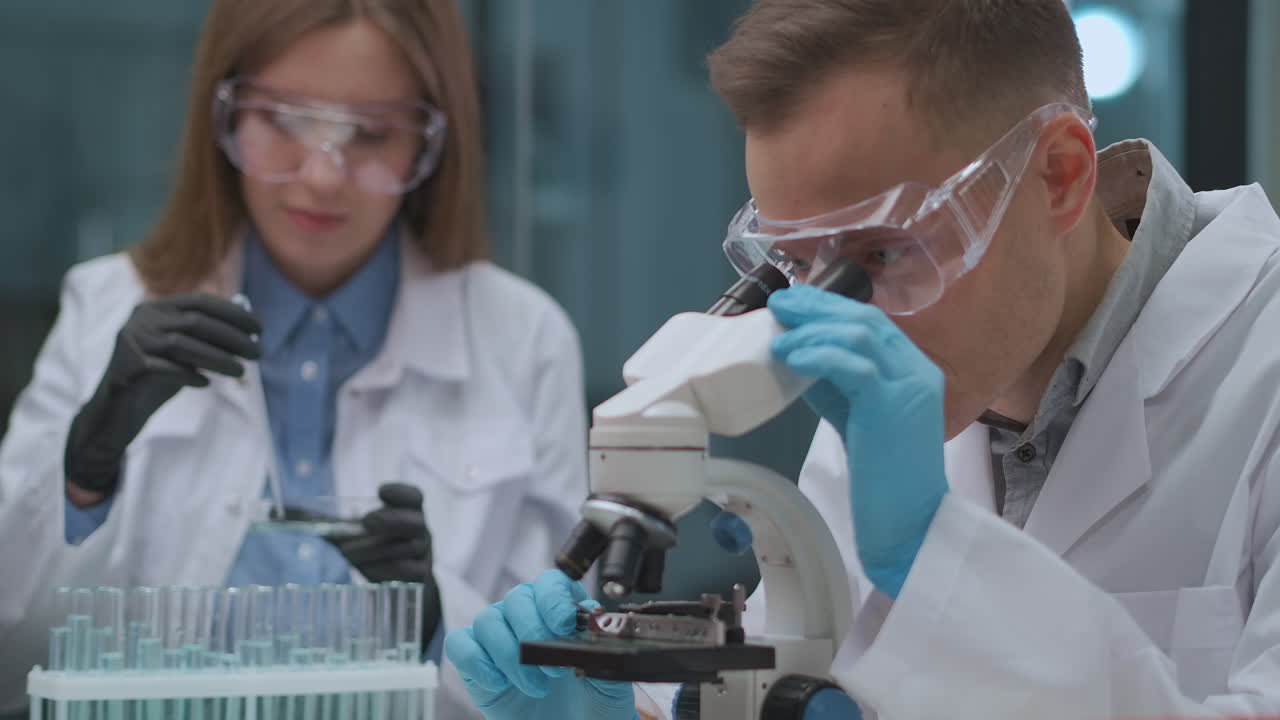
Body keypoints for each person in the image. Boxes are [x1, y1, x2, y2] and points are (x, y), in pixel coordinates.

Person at [443, 0, 1280, 718]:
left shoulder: (1260, 363)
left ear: (1058, 176)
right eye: (799, 265)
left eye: (879, 252)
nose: (847, 311)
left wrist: (937, 550)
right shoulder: (897, 397)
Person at [0, 0, 587, 718]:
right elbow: (14, 661)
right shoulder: (101, 306)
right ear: (223, 115)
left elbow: (562, 688)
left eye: (371, 133)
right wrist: (82, 477)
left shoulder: (524, 341)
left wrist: (435, 622)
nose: (321, 177)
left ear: (433, 144)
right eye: (282, 120)